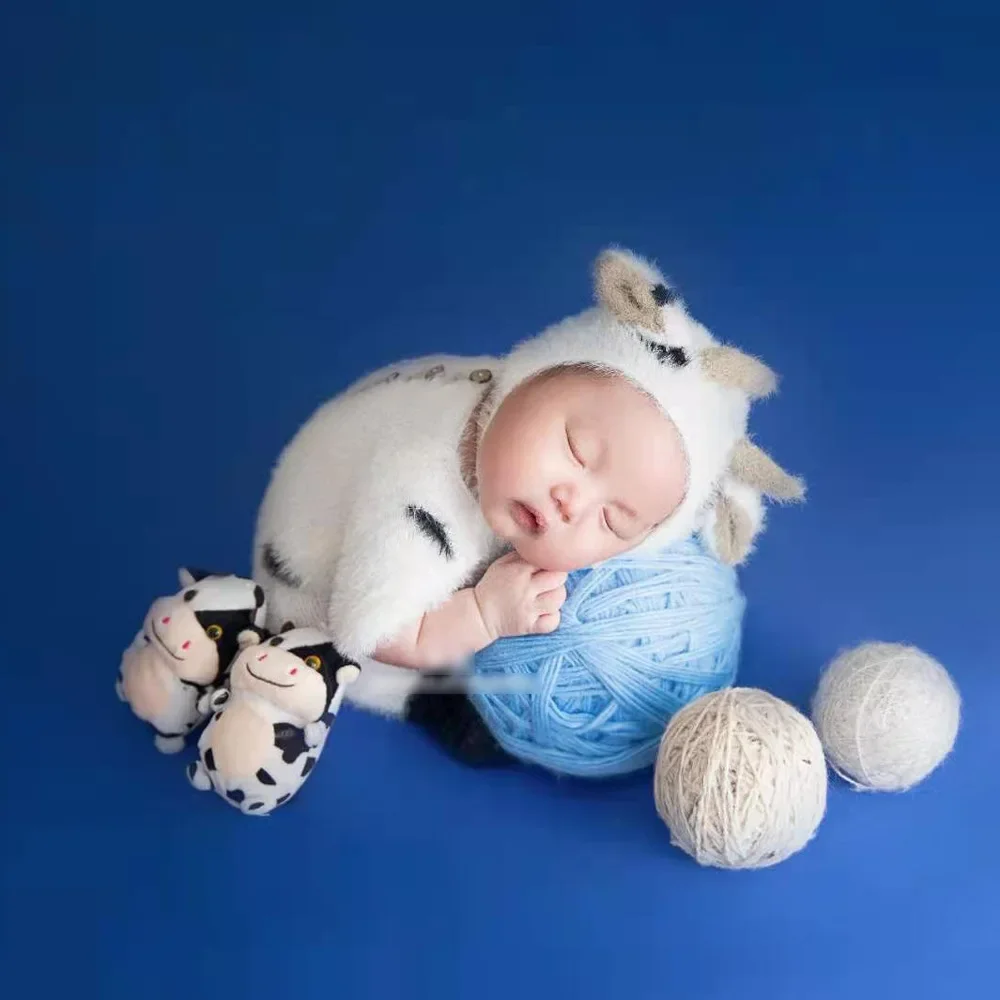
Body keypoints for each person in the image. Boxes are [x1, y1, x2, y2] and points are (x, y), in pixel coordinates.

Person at [251, 247, 803, 759]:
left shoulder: (513, 435)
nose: (573, 502)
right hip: (313, 593)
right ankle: (411, 697)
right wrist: (484, 613)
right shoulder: (421, 486)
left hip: (388, 482)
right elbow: (369, 630)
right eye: (576, 448)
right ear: (530, 375)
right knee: (427, 694)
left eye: (613, 520)